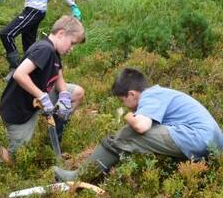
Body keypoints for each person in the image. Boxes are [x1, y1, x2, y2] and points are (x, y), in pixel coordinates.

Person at [53, 68, 223, 182]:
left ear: (132, 94)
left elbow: (142, 126)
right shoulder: (162, 93)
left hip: (194, 137)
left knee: (128, 134)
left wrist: (129, 117)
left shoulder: (150, 96)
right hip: (213, 143)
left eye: (123, 100)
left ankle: (78, 178)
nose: (125, 105)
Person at [0, 15, 85, 155]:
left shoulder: (54, 51)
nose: (72, 48)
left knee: (76, 93)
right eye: (72, 43)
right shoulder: (45, 49)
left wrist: (63, 94)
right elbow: (19, 74)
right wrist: (42, 97)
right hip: (20, 109)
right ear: (61, 34)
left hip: (38, 99)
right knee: (17, 158)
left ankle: (53, 140)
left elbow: (58, 74)